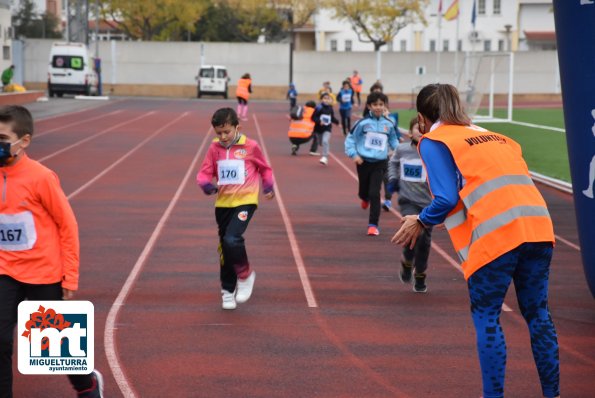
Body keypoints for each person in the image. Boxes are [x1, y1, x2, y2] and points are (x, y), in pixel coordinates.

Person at [392, 83, 560, 398]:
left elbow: (444, 198)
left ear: (421, 117)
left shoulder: (434, 140)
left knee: (487, 316)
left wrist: (421, 220)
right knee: (538, 314)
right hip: (539, 227)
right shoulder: (501, 138)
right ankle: (553, 394)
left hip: (498, 235)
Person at [0, 106, 103, 398]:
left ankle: (87, 385)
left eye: (2, 137)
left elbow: (67, 225)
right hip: (5, 271)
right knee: (0, 341)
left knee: (56, 346)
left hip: (44, 273)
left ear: (25, 141)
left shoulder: (41, 177)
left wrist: (69, 277)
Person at [197, 107, 275, 310]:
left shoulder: (251, 146)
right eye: (219, 133)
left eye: (227, 132)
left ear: (237, 127)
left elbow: (265, 168)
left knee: (232, 239)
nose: (223, 137)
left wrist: (268, 186)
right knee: (225, 248)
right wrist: (205, 184)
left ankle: (246, 275)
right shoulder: (214, 148)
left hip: (246, 201)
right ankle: (227, 291)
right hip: (223, 203)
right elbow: (205, 172)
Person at [387, 117, 433, 293]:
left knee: (425, 241)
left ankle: (420, 272)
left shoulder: (433, 152)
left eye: (424, 128)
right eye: (417, 128)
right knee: (414, 233)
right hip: (408, 201)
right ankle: (407, 260)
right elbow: (392, 163)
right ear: (409, 132)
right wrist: (392, 180)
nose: (421, 131)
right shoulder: (402, 149)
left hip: (428, 203)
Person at [345, 92, 399, 236]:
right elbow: (350, 140)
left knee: (375, 193)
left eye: (381, 104)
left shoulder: (389, 124)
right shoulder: (362, 124)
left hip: (380, 163)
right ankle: (364, 198)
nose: (378, 107)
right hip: (363, 162)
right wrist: (354, 155)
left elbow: (394, 140)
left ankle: (373, 225)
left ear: (385, 106)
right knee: (364, 191)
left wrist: (397, 151)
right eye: (375, 104)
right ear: (369, 106)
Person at [311, 92, 339, 165]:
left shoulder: (330, 108)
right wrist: (319, 121)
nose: (326, 100)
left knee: (325, 141)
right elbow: (313, 117)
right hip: (318, 129)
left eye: (328, 99)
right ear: (321, 99)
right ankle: (324, 155)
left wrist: (337, 122)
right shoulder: (318, 108)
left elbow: (332, 117)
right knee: (321, 142)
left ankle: (324, 157)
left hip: (327, 128)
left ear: (330, 100)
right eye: (324, 98)